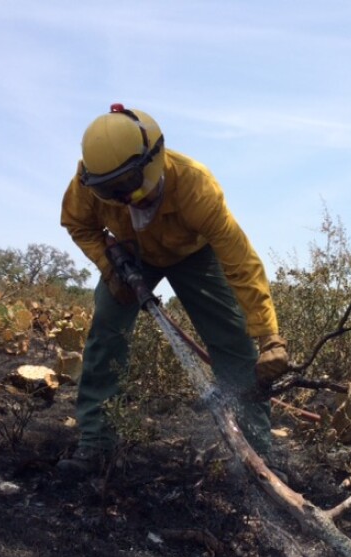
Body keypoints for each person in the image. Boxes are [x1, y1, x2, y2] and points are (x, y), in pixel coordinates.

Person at [57, 103, 289, 475]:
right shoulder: (85, 185)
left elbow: (241, 262)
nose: (120, 197)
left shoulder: (196, 185)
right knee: (106, 331)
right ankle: (96, 441)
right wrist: (110, 265)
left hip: (193, 254)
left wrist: (270, 338)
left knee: (232, 339)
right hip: (132, 256)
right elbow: (77, 223)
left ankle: (259, 452)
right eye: (108, 189)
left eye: (127, 183)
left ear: (150, 160)